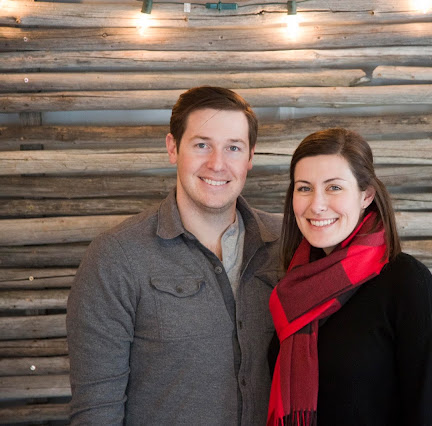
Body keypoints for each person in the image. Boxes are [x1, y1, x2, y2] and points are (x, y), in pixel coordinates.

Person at [66, 86, 281, 425]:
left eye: (233, 148)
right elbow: (96, 410)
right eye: (202, 145)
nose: (217, 164)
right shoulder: (116, 257)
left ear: (250, 157)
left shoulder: (287, 244)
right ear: (172, 148)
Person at [267, 128, 432, 425]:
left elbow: (428, 414)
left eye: (334, 187)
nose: (317, 205)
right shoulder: (292, 286)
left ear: (366, 195)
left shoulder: (406, 282)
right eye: (304, 188)